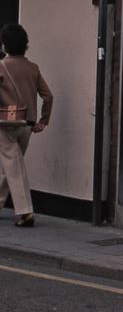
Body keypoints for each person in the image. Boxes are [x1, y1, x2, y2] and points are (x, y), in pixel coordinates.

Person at [0, 24, 53, 227]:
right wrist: (43, 121)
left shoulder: (1, 66)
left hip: (6, 124)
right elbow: (48, 96)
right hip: (27, 126)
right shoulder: (33, 68)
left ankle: (24, 212)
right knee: (11, 166)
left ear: (5, 44)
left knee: (13, 167)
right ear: (26, 45)